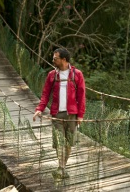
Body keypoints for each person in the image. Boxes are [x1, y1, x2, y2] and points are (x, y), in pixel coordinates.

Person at [33, 48, 86, 179]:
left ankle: (62, 167)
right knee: (59, 141)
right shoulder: (52, 75)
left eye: (55, 58)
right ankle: (61, 167)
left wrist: (80, 115)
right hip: (56, 114)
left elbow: (82, 96)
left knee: (68, 142)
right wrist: (39, 109)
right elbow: (45, 94)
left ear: (64, 59)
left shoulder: (77, 74)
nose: (53, 60)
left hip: (71, 115)